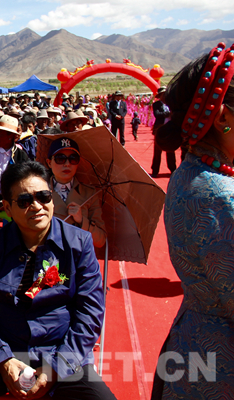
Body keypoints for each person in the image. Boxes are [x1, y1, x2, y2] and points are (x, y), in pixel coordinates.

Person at [0, 161, 115, 400]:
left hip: (60, 353)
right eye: (24, 201)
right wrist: (2, 359)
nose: (37, 206)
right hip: (6, 350)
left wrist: (56, 368)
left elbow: (90, 313)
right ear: (8, 207)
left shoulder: (78, 244)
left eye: (44, 197)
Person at [150, 42, 234, 399]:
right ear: (223, 117)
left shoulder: (194, 172)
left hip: (197, 344)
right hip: (220, 365)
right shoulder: (218, 195)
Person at [46, 138, 106, 248]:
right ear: (49, 163)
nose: (67, 164)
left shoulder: (89, 194)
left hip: (78, 254)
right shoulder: (40, 191)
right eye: (60, 159)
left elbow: (100, 240)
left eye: (73, 159)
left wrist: (82, 221)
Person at [150, 86, 177, 178]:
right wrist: (167, 114)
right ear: (159, 96)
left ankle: (173, 170)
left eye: (165, 94)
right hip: (160, 130)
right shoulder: (156, 104)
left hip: (170, 129)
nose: (164, 96)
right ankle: (155, 170)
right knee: (157, 152)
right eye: (162, 94)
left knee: (171, 151)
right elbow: (157, 114)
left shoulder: (172, 104)